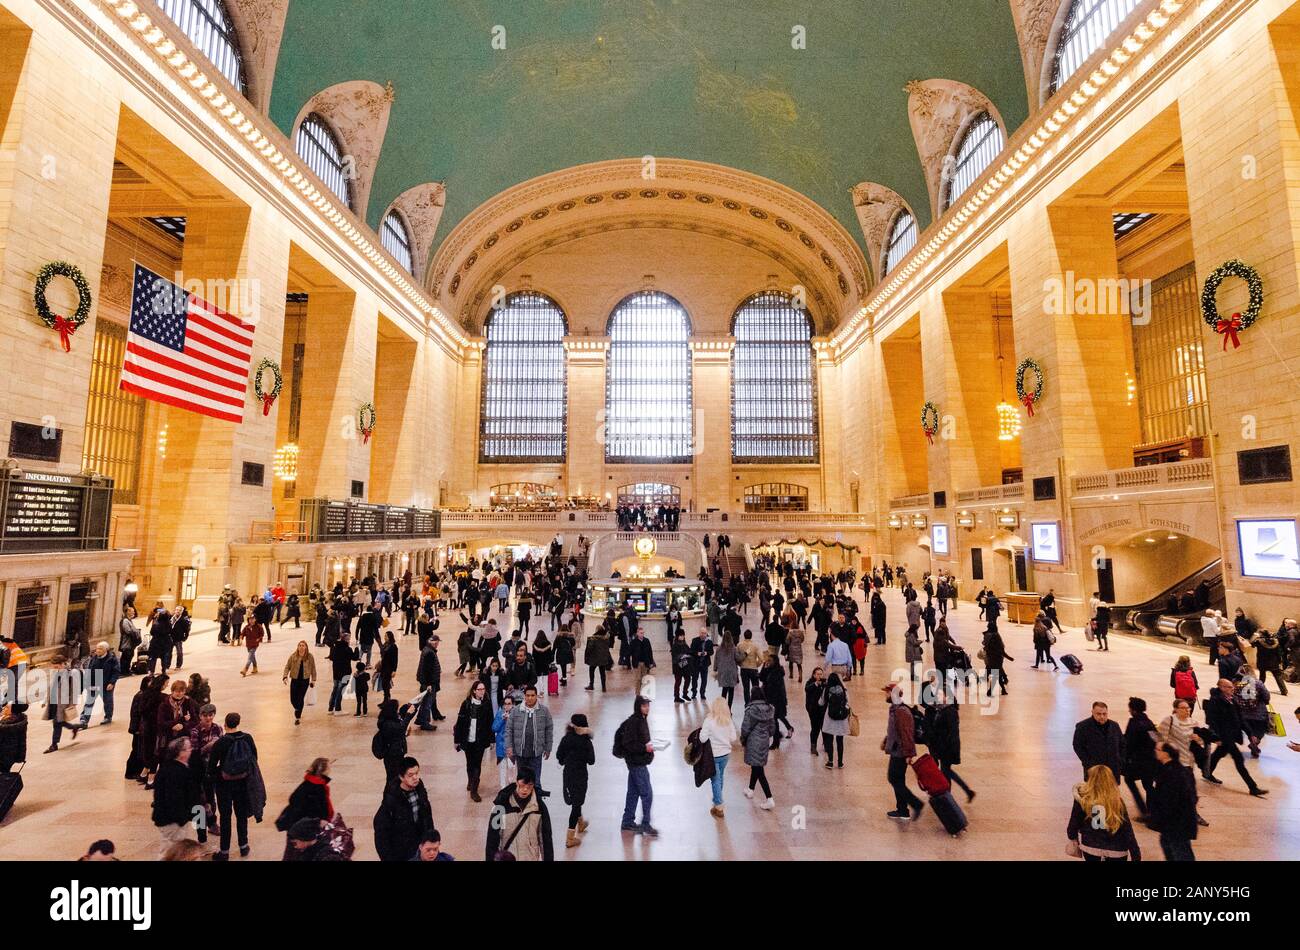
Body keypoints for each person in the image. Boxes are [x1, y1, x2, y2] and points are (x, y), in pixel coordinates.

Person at [1202, 678, 1269, 796]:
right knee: (1239, 760)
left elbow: (1240, 719)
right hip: (1225, 736)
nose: (1233, 689)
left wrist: (1250, 734)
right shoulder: (1215, 701)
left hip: (1231, 735)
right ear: (1222, 688)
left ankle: (1206, 772)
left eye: (1232, 687)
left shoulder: (1233, 700)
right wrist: (1216, 737)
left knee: (1219, 754)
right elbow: (1212, 720)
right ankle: (1252, 787)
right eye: (1229, 687)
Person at [208, 712, 258, 860]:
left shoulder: (221, 742)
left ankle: (224, 851)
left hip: (224, 785)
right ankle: (243, 846)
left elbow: (211, 767)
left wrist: (219, 773)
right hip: (243, 783)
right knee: (241, 815)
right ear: (238, 723)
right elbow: (254, 759)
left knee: (225, 817)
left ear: (225, 724)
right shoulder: (247, 738)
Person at [1066, 765, 1141, 861]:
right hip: (1117, 850)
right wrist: (1135, 853)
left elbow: (1073, 826)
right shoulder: (1117, 802)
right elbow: (1127, 830)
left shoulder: (1083, 800)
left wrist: (1073, 837)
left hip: (1091, 847)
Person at [374, 757, 435, 862]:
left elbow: (427, 818)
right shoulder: (391, 800)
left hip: (419, 848)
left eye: (417, 773)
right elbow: (381, 834)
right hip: (401, 852)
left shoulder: (421, 792)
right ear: (401, 777)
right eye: (410, 775)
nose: (415, 778)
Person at [485, 767, 554, 861]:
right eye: (522, 785)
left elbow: (545, 840)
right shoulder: (500, 806)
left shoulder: (539, 807)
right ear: (517, 782)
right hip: (508, 857)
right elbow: (492, 839)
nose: (525, 789)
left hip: (530, 857)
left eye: (529, 786)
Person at [615, 695, 657, 835]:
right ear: (638, 707)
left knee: (633, 793)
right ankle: (645, 824)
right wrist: (644, 749)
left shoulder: (641, 720)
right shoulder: (635, 722)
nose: (647, 708)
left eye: (648, 705)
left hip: (636, 762)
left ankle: (627, 822)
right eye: (644, 706)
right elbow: (629, 743)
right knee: (647, 793)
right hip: (636, 762)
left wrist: (648, 748)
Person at [1148, 742, 1198, 861]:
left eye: (1158, 749)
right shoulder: (1178, 769)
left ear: (1166, 754)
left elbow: (1169, 801)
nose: (1155, 751)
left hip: (1176, 825)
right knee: (1169, 846)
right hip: (1176, 824)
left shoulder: (1172, 773)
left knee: (1181, 853)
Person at [276, 758, 334, 858]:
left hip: (295, 826)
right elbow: (325, 811)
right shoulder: (319, 788)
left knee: (290, 855)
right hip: (306, 831)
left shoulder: (305, 784)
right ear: (325, 771)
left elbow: (293, 800)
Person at [152, 737, 199, 859]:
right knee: (170, 853)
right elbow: (173, 799)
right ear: (181, 753)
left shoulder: (169, 767)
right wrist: (181, 819)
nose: (191, 750)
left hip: (168, 819)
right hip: (172, 821)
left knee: (169, 850)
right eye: (188, 748)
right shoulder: (175, 772)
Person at [882, 683, 923, 820]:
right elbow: (896, 730)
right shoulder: (895, 709)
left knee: (893, 778)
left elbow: (906, 733)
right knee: (898, 779)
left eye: (887, 693)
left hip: (901, 752)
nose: (885, 695)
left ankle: (916, 804)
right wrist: (887, 740)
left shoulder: (901, 711)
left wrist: (909, 754)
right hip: (896, 750)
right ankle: (902, 810)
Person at [926, 690, 974, 801]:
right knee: (946, 771)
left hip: (947, 748)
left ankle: (947, 797)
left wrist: (948, 749)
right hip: (941, 747)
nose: (936, 696)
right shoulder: (939, 709)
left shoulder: (950, 712)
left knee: (946, 772)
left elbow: (952, 734)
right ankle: (966, 791)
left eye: (939, 694)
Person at [555, 713, 595, 847]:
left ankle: (581, 823)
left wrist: (565, 760)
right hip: (581, 775)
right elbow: (592, 761)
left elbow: (559, 756)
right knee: (577, 803)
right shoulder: (586, 741)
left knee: (576, 800)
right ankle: (570, 838)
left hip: (568, 774)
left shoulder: (566, 739)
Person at [453, 680, 495, 802]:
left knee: (477, 764)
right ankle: (470, 780)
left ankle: (474, 790)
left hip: (480, 740)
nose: (482, 692)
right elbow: (459, 723)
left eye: (483, 689)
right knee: (469, 763)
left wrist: (492, 739)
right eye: (479, 689)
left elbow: (490, 722)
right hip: (468, 738)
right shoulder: (466, 704)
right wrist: (457, 740)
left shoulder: (487, 704)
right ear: (474, 691)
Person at [506, 685, 553, 790]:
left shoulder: (544, 711)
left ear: (536, 696)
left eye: (532, 695)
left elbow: (549, 730)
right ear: (524, 696)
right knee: (522, 781)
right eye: (527, 695)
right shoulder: (516, 711)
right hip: (520, 752)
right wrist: (509, 747)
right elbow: (509, 729)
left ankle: (536, 803)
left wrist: (548, 748)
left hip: (536, 753)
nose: (530, 698)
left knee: (535, 782)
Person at [699, 697, 737, 817]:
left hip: (713, 755)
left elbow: (702, 738)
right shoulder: (728, 720)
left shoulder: (709, 720)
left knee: (715, 779)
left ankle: (719, 806)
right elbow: (733, 738)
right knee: (719, 777)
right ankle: (717, 800)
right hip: (725, 755)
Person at [739, 684, 776, 810]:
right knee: (756, 765)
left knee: (759, 770)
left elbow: (745, 728)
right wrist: (766, 734)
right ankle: (750, 789)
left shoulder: (750, 710)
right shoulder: (770, 709)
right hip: (764, 741)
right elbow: (772, 729)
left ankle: (769, 798)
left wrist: (743, 739)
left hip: (753, 741)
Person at [1121, 697, 1157, 817]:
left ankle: (1143, 810)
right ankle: (1151, 810)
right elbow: (1155, 739)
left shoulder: (1134, 722)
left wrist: (1125, 758)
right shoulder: (1149, 722)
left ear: (1134, 710)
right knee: (1148, 785)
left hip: (1138, 762)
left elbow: (1129, 743)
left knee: (1129, 779)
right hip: (1151, 761)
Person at [1072, 701, 1123, 782]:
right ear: (1092, 712)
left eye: (1104, 714)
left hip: (1112, 771)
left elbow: (1122, 744)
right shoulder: (1082, 727)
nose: (1102, 716)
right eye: (1098, 714)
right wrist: (1088, 764)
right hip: (1094, 770)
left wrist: (1120, 761)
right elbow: (1077, 746)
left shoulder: (1114, 726)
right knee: (1095, 793)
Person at [79, 641, 120, 727]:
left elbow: (116, 672)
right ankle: (84, 720)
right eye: (97, 648)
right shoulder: (93, 658)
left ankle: (108, 717)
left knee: (107, 701)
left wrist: (112, 683)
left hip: (106, 684)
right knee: (89, 702)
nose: (98, 650)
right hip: (94, 683)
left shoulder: (112, 659)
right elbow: (89, 671)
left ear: (106, 650)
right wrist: (87, 684)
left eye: (100, 649)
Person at [282, 640, 316, 726]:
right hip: (295, 679)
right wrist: (285, 676)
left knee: (300, 698)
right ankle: (297, 708)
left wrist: (313, 680)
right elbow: (287, 667)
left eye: (303, 645)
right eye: (300, 645)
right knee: (293, 699)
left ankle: (298, 717)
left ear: (306, 647)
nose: (301, 647)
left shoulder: (310, 656)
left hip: (305, 680)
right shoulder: (293, 656)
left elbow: (313, 668)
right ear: (297, 647)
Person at [327, 634, 358, 714]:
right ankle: (338, 709)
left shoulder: (334, 647)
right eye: (349, 639)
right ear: (346, 640)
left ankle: (330, 709)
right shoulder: (347, 649)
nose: (349, 640)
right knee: (340, 691)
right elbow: (355, 657)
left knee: (335, 689)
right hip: (345, 673)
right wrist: (357, 649)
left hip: (336, 672)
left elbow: (331, 657)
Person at [493, 691, 517, 789]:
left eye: (509, 704)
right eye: (505, 704)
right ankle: (503, 787)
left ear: (513, 704)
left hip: (512, 746)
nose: (507, 706)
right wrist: (502, 720)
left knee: (512, 767)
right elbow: (494, 728)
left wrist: (510, 720)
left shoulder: (517, 714)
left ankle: (512, 786)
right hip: (501, 745)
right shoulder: (499, 713)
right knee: (502, 768)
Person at [981, 627, 1012, 697]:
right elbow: (1003, 653)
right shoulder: (999, 645)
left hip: (992, 661)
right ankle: (992, 691)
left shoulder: (990, 644)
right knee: (997, 676)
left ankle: (1001, 690)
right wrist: (1009, 658)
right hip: (998, 662)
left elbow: (986, 648)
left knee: (998, 675)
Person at [804, 666, 827, 756]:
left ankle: (826, 744)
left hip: (823, 710)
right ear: (814, 675)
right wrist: (816, 684)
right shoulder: (810, 683)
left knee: (824, 728)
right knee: (815, 728)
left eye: (821, 674)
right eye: (817, 674)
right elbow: (807, 689)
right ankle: (813, 746)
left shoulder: (825, 683)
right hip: (813, 710)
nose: (819, 676)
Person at [584, 624, 613, 692]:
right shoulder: (606, 639)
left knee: (591, 670)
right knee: (602, 672)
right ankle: (604, 687)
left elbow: (589, 648)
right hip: (602, 658)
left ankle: (591, 684)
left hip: (594, 658)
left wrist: (587, 655)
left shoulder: (593, 639)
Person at [117, 608, 141, 677]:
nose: (134, 613)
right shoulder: (125, 621)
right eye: (132, 611)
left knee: (129, 656)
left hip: (130, 643)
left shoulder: (129, 620)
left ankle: (126, 670)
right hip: (127, 643)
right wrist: (136, 633)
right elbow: (128, 631)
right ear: (128, 612)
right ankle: (123, 671)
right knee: (125, 657)